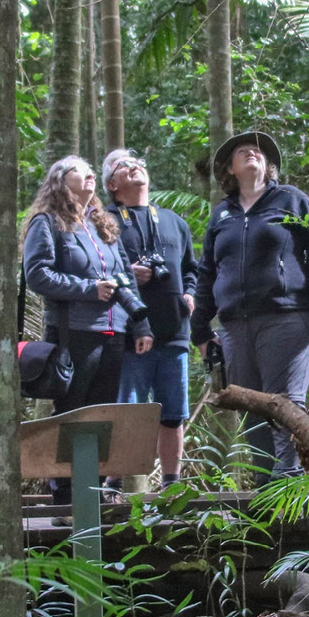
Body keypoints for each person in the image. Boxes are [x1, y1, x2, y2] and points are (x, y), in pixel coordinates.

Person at [191, 129, 309, 480]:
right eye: (242, 151)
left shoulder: (291, 200)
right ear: (229, 169)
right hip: (235, 326)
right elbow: (208, 271)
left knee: (285, 404)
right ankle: (262, 485)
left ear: (269, 165)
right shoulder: (221, 215)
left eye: (257, 151)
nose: (251, 153)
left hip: (286, 318)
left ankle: (288, 483)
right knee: (250, 407)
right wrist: (199, 328)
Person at [22, 156, 152, 499]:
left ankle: (90, 497)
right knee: (72, 414)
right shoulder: (47, 223)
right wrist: (88, 289)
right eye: (81, 170)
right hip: (73, 334)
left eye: (92, 170)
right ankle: (64, 497)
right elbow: (37, 274)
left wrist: (141, 327)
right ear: (61, 181)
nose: (90, 174)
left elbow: (125, 278)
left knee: (100, 415)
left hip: (114, 334)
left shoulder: (102, 224)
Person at [103, 148, 196, 485]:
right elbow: (98, 267)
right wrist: (129, 272)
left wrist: (190, 293)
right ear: (112, 184)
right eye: (123, 166)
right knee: (125, 414)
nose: (134, 167)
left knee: (173, 414)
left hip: (174, 331)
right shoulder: (105, 220)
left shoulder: (174, 221)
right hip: (127, 334)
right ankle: (112, 487)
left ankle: (171, 486)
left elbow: (191, 269)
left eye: (138, 163)